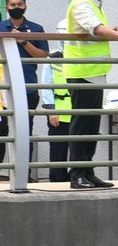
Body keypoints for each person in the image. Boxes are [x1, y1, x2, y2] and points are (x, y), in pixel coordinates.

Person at [64, 0, 118, 189]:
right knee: (82, 125)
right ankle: (77, 173)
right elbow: (95, 29)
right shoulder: (82, 2)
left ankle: (87, 171)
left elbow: (99, 28)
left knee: (91, 125)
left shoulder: (94, 2)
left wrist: (114, 30)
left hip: (94, 73)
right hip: (82, 71)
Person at [0, 0, 49, 182]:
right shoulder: (1, 27)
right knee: (2, 132)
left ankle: (24, 176)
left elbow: (42, 55)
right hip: (3, 90)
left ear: (25, 6)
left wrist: (24, 41)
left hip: (28, 88)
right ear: (6, 8)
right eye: (12, 5)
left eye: (19, 4)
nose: (16, 8)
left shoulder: (36, 28)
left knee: (24, 131)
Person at [39, 19, 72, 183]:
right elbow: (46, 86)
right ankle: (58, 179)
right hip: (58, 111)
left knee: (78, 147)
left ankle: (75, 176)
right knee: (58, 148)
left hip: (77, 111)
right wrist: (51, 111)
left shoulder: (80, 58)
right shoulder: (53, 58)